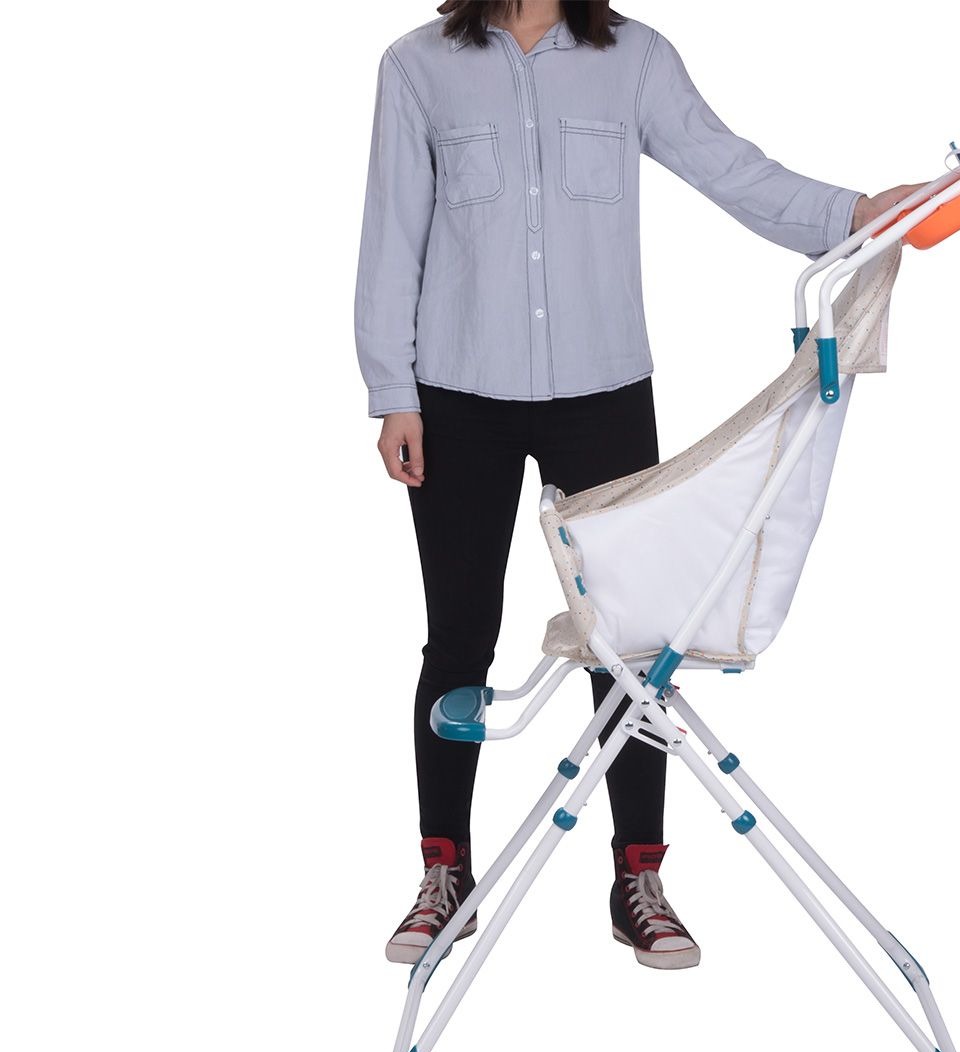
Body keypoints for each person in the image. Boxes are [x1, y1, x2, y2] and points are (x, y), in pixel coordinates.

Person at [354, 0, 923, 969]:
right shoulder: (416, 68)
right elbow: (391, 235)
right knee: (458, 635)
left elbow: (731, 167)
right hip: (457, 394)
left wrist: (855, 213)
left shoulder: (637, 59)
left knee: (632, 645)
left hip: (603, 393)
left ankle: (639, 877)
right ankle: (444, 872)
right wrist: (391, 392)